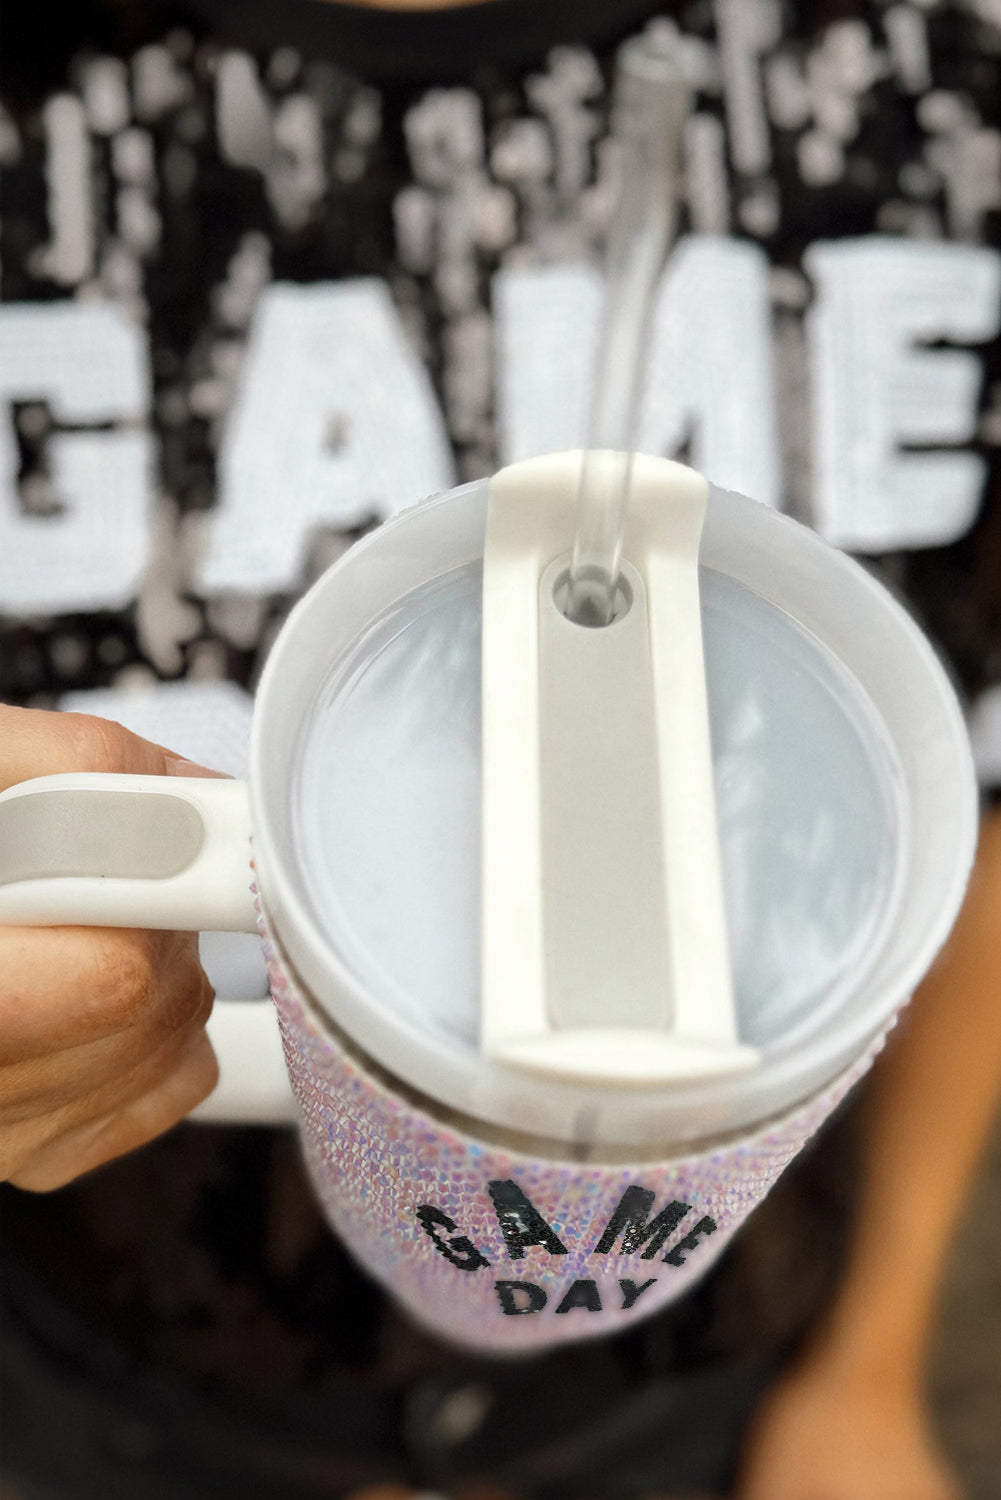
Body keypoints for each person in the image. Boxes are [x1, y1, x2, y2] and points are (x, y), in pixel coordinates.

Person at [1, 0, 1000, 1496]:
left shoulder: (937, 107)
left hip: (704, 1382)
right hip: (97, 1369)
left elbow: (963, 809)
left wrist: (866, 1363)